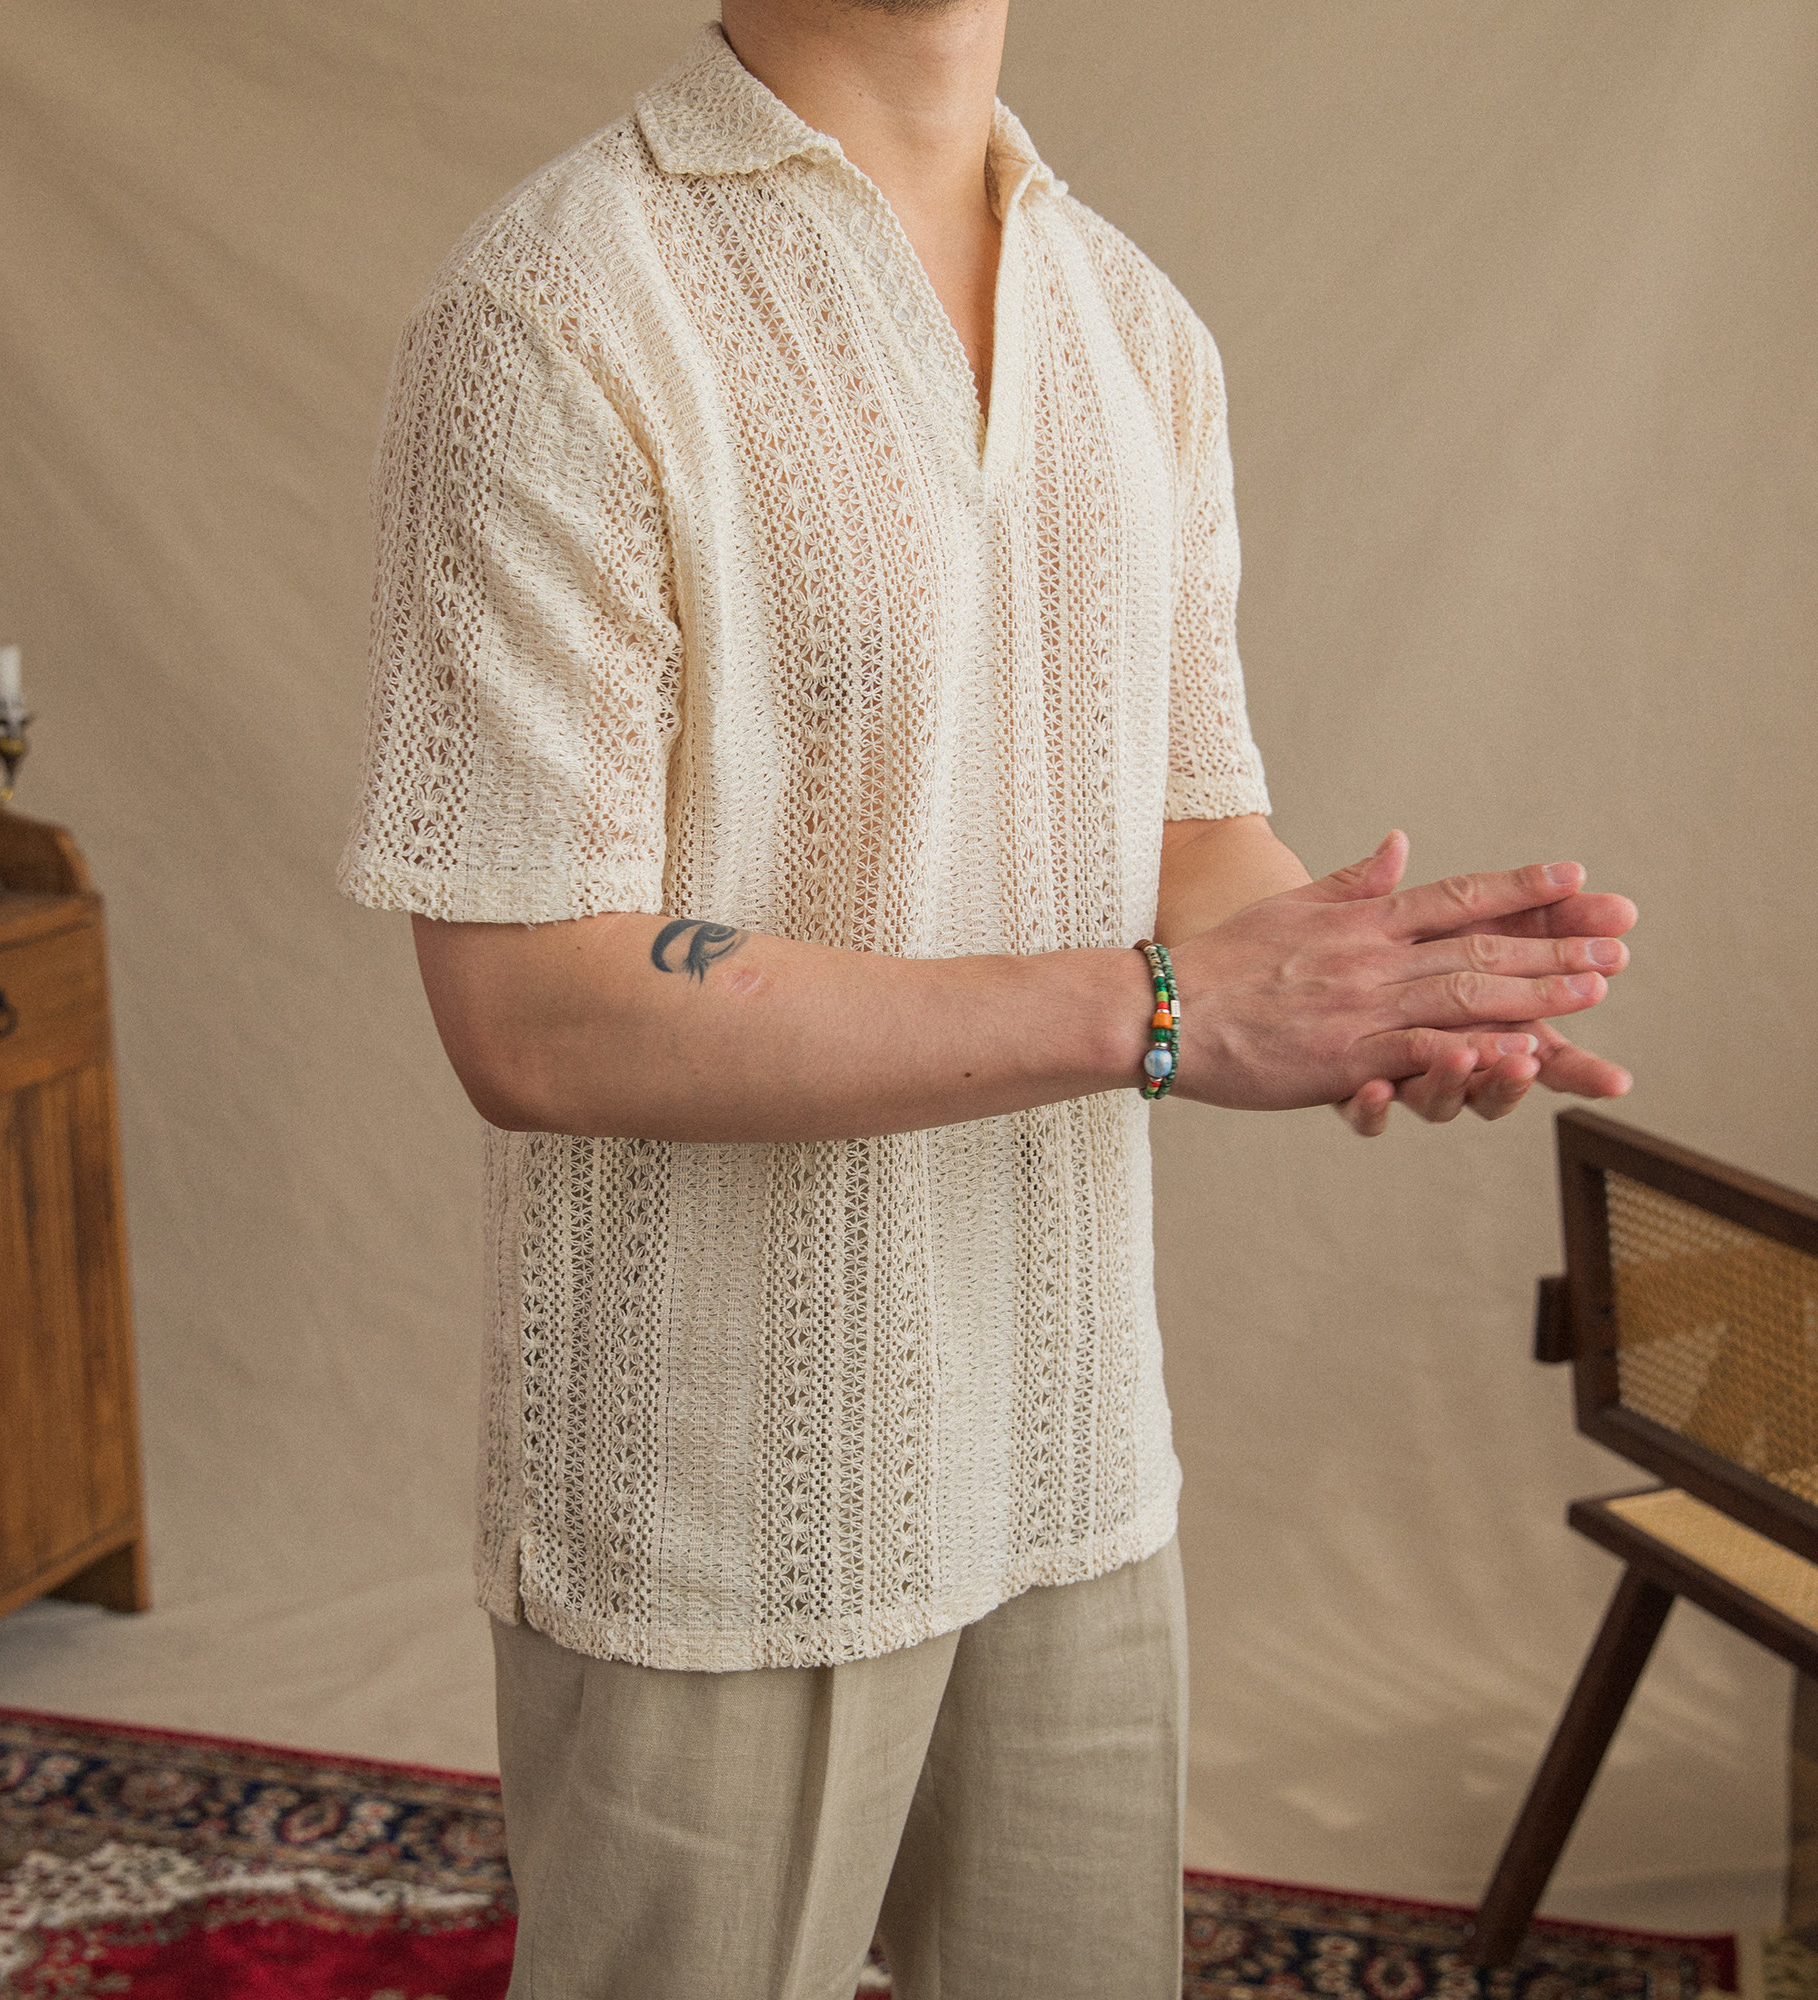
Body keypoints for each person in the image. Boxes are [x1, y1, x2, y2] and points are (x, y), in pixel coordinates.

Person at [338, 2, 1634, 1992]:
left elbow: (1189, 840)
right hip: (714, 1489)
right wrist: (1168, 1011)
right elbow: (536, 1006)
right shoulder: (556, 305)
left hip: (1068, 1445)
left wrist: (1369, 989)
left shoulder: (1135, 324)